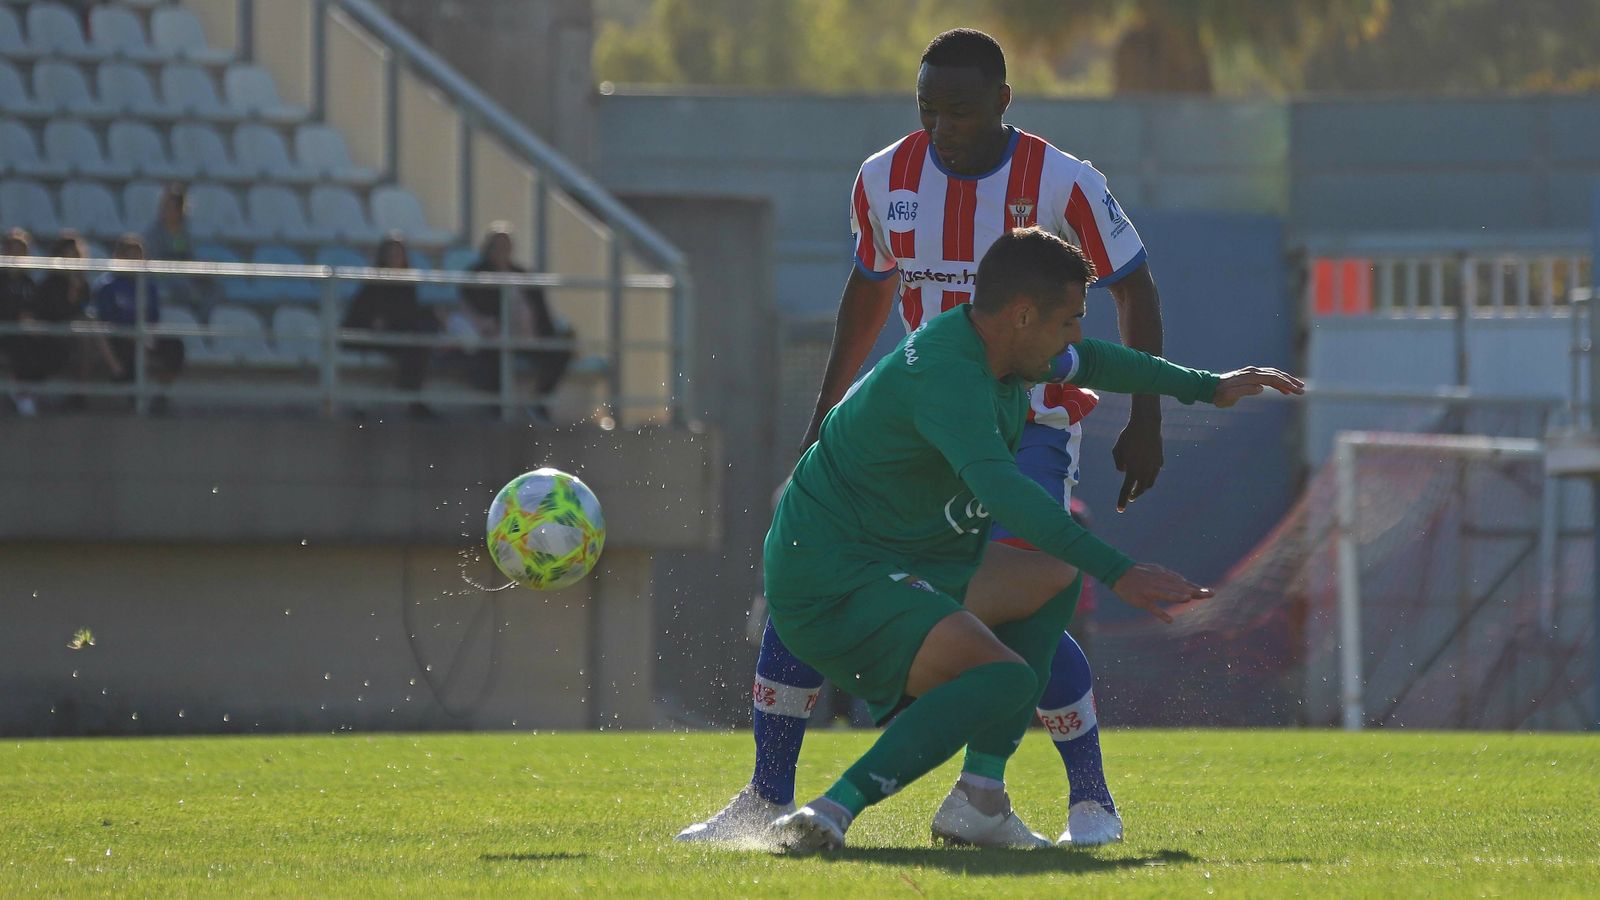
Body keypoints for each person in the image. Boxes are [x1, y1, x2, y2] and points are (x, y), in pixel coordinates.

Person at [681, 28, 1170, 849]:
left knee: (1028, 591)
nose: (943, 127)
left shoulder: (1064, 181)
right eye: (927, 109)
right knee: (815, 564)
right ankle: (766, 797)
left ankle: (1062, 797)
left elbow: (1134, 284)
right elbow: (870, 290)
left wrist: (1145, 419)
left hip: (1030, 426)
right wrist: (823, 421)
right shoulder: (884, 177)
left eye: (962, 110)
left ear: (1004, 102)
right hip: (911, 436)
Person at [760, 228, 1301, 853]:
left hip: (896, 559)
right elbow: (1008, 495)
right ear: (1022, 315)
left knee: (1052, 574)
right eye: (1069, 319)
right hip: (833, 579)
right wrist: (1120, 571)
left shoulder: (1000, 348)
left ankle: (980, 802)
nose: (1076, 334)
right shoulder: (949, 376)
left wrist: (1207, 385)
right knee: (1008, 678)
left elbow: (1097, 361)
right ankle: (832, 809)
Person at [456, 223, 573, 422]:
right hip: (493, 335)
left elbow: (540, 309)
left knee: (559, 350)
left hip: (525, 336)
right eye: (497, 246)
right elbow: (476, 307)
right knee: (489, 358)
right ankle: (497, 408)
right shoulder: (477, 274)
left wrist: (546, 333)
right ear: (488, 248)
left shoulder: (522, 274)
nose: (502, 250)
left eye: (506, 246)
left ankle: (539, 403)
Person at [341, 233, 440, 419]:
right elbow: (365, 317)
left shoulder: (408, 284)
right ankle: (412, 399)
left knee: (424, 332)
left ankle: (413, 397)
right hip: (372, 336)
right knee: (415, 345)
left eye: (398, 254)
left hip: (399, 332)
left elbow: (406, 314)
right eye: (391, 253)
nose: (395, 257)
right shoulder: (373, 284)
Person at [86, 233, 184, 404]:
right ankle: (132, 394)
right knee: (130, 350)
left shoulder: (148, 285)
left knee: (175, 346)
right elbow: (102, 321)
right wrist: (129, 334)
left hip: (144, 335)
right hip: (118, 338)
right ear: (118, 257)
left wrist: (148, 335)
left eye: (137, 256)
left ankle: (161, 394)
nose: (133, 261)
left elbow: (153, 317)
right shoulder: (107, 286)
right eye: (128, 256)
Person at [141, 182, 213, 312]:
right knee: (182, 284)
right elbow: (152, 260)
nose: (166, 210)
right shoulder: (153, 233)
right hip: (163, 277)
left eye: (171, 207)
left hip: (184, 274)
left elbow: (190, 256)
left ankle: (206, 318)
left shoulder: (185, 233)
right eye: (165, 206)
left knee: (212, 285)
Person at [1, 228, 43, 415]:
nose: (17, 256)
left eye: (21, 252)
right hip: (5, 329)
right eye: (13, 251)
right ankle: (22, 393)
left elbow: (34, 308)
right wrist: (17, 316)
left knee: (44, 339)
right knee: (17, 342)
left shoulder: (29, 282)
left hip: (25, 331)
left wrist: (30, 319)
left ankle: (30, 390)